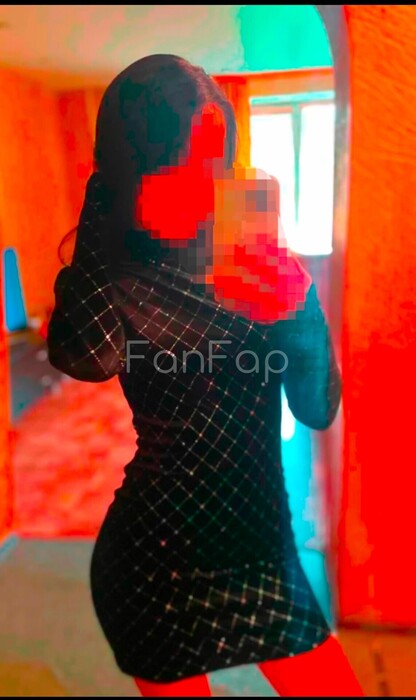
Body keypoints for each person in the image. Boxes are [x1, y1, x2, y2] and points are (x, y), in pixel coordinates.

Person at [47, 54, 363, 697]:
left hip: (265, 559)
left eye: (215, 167)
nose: (203, 190)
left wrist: (298, 305)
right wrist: (101, 204)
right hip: (156, 568)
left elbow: (317, 406)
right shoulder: (114, 281)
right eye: (177, 170)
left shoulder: (254, 262)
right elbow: (89, 357)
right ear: (126, 176)